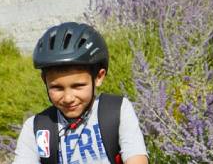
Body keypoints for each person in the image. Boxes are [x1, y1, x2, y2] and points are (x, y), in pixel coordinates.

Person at [13, 22, 149, 164]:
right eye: (57, 88)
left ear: (98, 77)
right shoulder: (36, 128)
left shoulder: (116, 110)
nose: (68, 98)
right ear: (44, 81)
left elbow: (136, 157)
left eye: (78, 86)